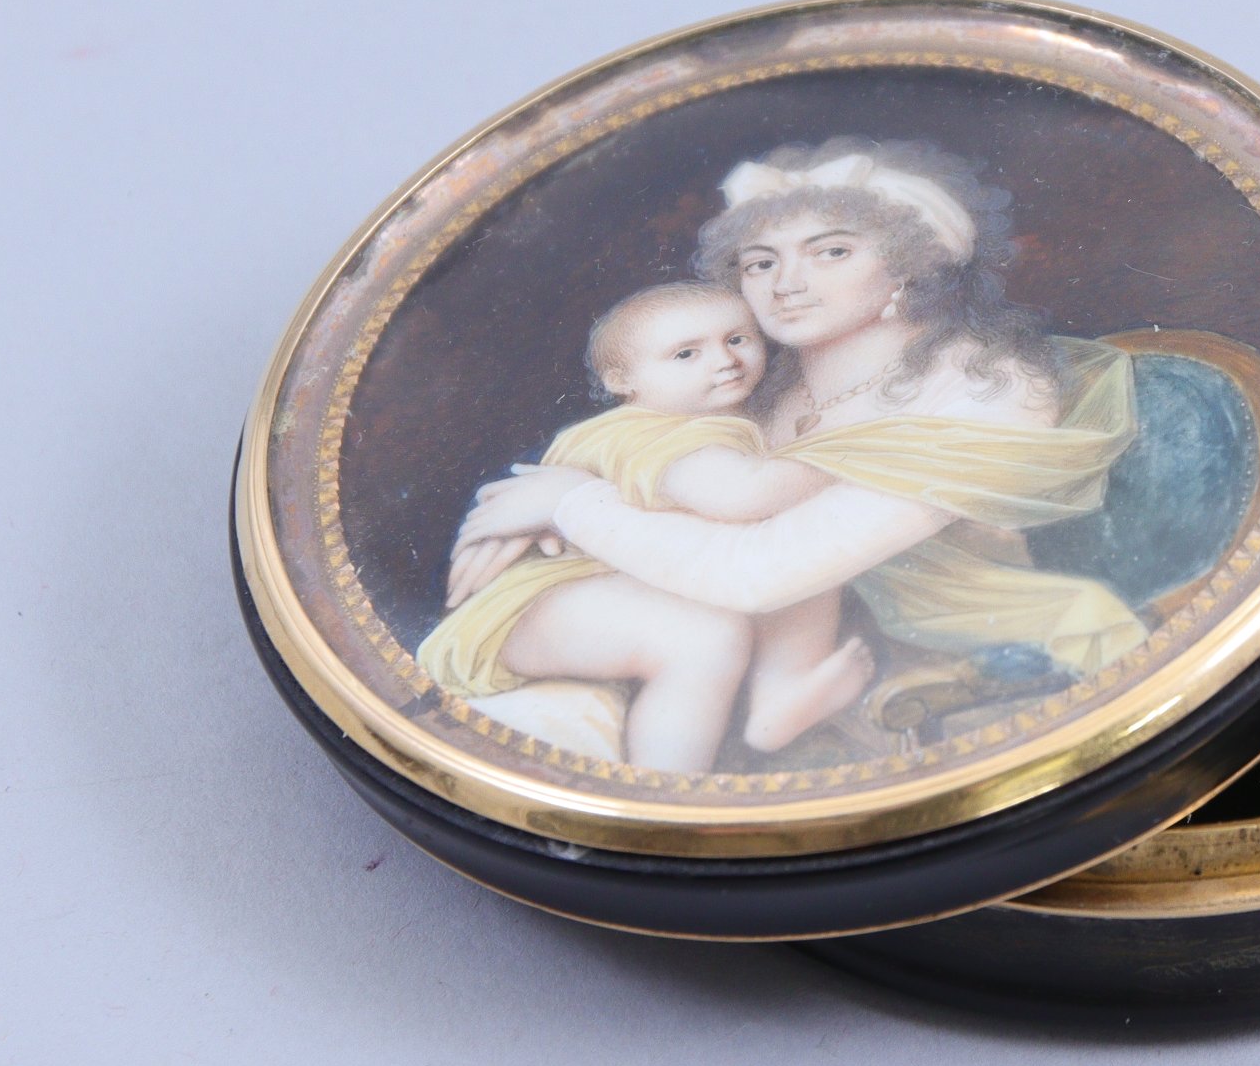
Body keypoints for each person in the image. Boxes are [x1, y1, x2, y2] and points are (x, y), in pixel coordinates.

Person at [446, 141, 1149, 753]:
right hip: (720, 644)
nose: (785, 284)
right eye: (760, 263)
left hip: (968, 656)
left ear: (908, 267)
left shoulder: (984, 387)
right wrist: (546, 512)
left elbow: (764, 571)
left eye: (831, 252)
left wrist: (571, 503)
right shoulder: (756, 390)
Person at [419, 282, 873, 772]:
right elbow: (744, 494)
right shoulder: (645, 433)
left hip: (616, 591)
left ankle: (783, 691)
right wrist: (850, 455)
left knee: (799, 555)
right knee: (704, 638)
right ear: (622, 380)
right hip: (533, 610)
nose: (725, 360)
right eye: (686, 354)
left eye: (737, 339)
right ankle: (669, 784)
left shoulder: (709, 424)